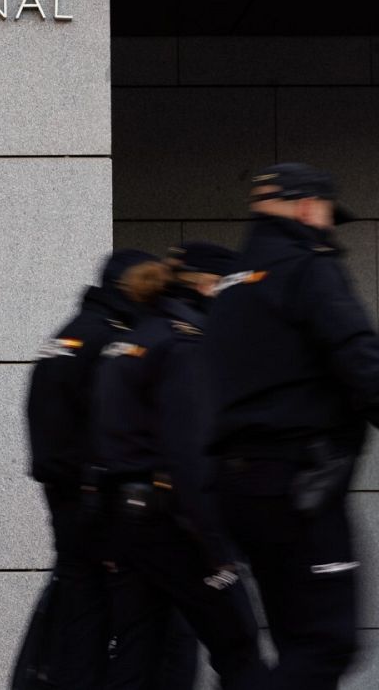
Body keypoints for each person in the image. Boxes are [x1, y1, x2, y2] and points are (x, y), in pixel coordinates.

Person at [206, 164, 379, 689]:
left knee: (297, 646)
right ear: (309, 207)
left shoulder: (230, 287)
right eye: (328, 215)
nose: (328, 228)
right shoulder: (308, 270)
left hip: (239, 490)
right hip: (298, 490)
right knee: (328, 643)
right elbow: (368, 370)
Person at [92, 243, 266, 690]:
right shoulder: (185, 344)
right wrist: (217, 548)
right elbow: (190, 455)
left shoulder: (133, 340)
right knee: (240, 648)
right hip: (174, 527)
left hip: (127, 527)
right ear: (209, 286)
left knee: (137, 661)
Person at [22, 249, 196, 690]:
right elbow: (112, 427)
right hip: (100, 507)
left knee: (80, 627)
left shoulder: (68, 335)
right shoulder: (112, 341)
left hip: (67, 503)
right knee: (145, 632)